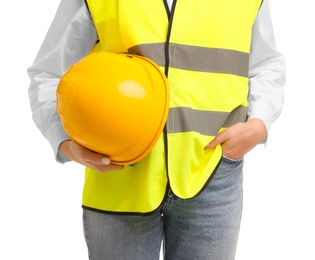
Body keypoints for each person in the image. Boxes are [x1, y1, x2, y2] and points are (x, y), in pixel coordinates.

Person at [27, 0, 285, 259]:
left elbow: (266, 65)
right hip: (120, 179)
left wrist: (259, 124)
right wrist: (64, 142)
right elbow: (48, 74)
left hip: (212, 172)